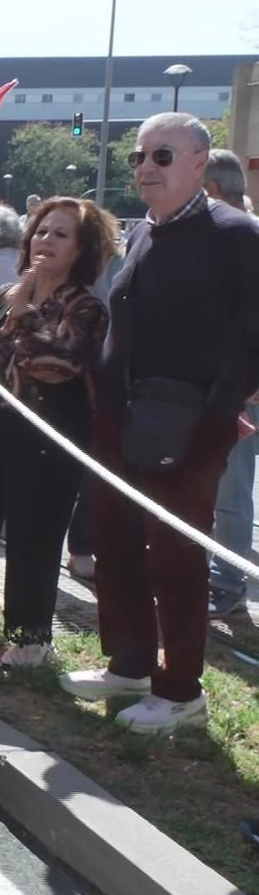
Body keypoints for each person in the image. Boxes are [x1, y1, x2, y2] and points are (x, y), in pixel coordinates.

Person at [60, 113, 259, 733]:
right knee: (115, 541)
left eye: (162, 156)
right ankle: (131, 666)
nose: (146, 168)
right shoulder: (146, 231)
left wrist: (221, 409)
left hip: (190, 424)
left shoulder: (237, 234)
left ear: (200, 162)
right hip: (122, 416)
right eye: (139, 157)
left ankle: (180, 691)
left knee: (176, 556)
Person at [0, 198, 115, 665]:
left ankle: (32, 638)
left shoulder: (86, 307)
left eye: (61, 234)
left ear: (82, 249)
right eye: (41, 231)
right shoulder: (6, 294)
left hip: (48, 439)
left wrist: (26, 310)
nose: (45, 240)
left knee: (35, 534)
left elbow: (55, 364)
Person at [206, 149, 259, 618]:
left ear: (211, 189)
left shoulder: (244, 238)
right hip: (221, 384)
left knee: (231, 490)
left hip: (243, 388)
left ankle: (227, 581)